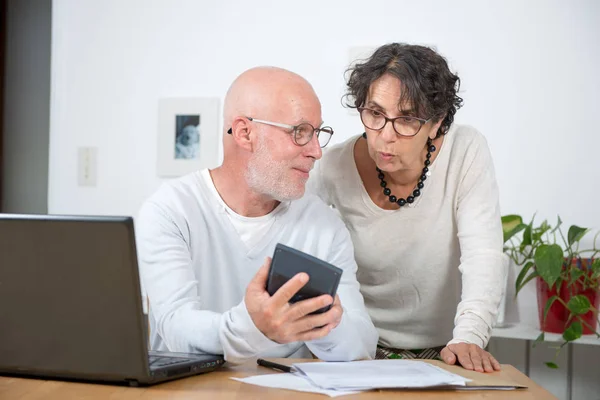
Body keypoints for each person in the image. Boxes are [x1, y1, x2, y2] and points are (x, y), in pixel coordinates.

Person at [136, 66, 378, 364]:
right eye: (299, 132)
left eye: (318, 133)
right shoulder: (170, 211)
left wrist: (325, 323)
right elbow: (175, 330)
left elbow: (363, 344)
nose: (316, 151)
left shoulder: (323, 226)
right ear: (244, 132)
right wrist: (254, 326)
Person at [307, 43, 507, 372]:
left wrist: (469, 337)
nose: (386, 136)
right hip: (360, 349)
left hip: (450, 347)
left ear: (436, 122)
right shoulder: (331, 168)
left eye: (407, 119)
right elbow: (301, 253)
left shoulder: (465, 150)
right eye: (375, 113)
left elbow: (482, 256)